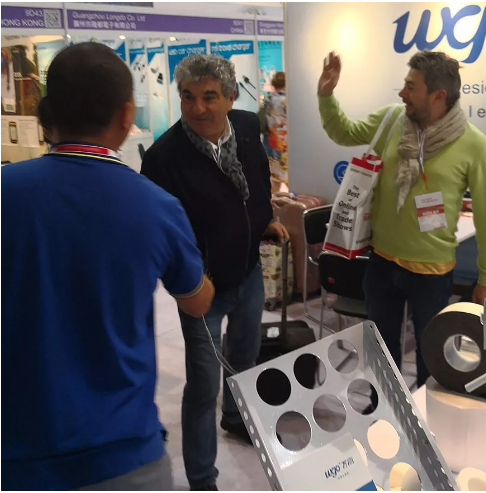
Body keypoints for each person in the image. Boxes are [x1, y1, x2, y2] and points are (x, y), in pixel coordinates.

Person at [1, 42, 214, 491]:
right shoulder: (156, 206)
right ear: (125, 114)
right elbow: (197, 302)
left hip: (18, 456)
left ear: (48, 112)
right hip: (123, 455)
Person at [141, 54, 288, 491]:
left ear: (230, 97)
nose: (197, 107)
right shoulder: (164, 158)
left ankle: (236, 418)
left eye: (208, 97)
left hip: (248, 272)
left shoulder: (245, 125)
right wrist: (187, 282)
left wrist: (264, 219)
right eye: (187, 96)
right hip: (201, 289)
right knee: (204, 385)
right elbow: (160, 233)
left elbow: (256, 178)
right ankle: (202, 477)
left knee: (245, 358)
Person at [317, 50, 486, 388]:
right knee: (380, 354)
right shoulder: (391, 121)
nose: (402, 93)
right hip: (381, 263)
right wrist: (326, 96)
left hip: (432, 273)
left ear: (438, 95)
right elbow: (343, 132)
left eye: (411, 87)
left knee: (432, 358)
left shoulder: (474, 145)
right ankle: (382, 408)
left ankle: (427, 415)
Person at [259, 71, 288, 193]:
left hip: (272, 144)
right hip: (287, 145)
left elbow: (262, 120)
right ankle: (295, 202)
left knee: (275, 180)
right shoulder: (289, 100)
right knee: (292, 178)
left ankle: (273, 203)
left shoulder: (268, 99)